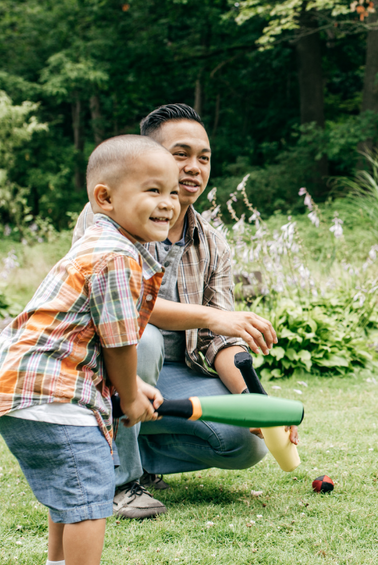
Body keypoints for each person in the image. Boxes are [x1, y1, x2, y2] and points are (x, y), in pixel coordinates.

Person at [72, 103, 291, 520]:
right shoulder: (108, 214)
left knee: (246, 443)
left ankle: (138, 454)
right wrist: (211, 316)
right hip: (108, 364)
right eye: (180, 154)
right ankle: (120, 482)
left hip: (176, 371)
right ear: (147, 159)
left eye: (203, 158)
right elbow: (124, 308)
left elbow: (220, 340)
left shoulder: (212, 242)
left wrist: (259, 405)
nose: (194, 167)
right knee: (145, 339)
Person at [0, 135, 180, 565]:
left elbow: (91, 337)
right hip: (50, 392)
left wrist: (134, 384)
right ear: (104, 198)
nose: (169, 203)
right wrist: (132, 394)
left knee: (72, 490)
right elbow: (120, 340)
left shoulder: (103, 247)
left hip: (29, 387)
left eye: (173, 191)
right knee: (90, 492)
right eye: (154, 190)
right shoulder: (116, 256)